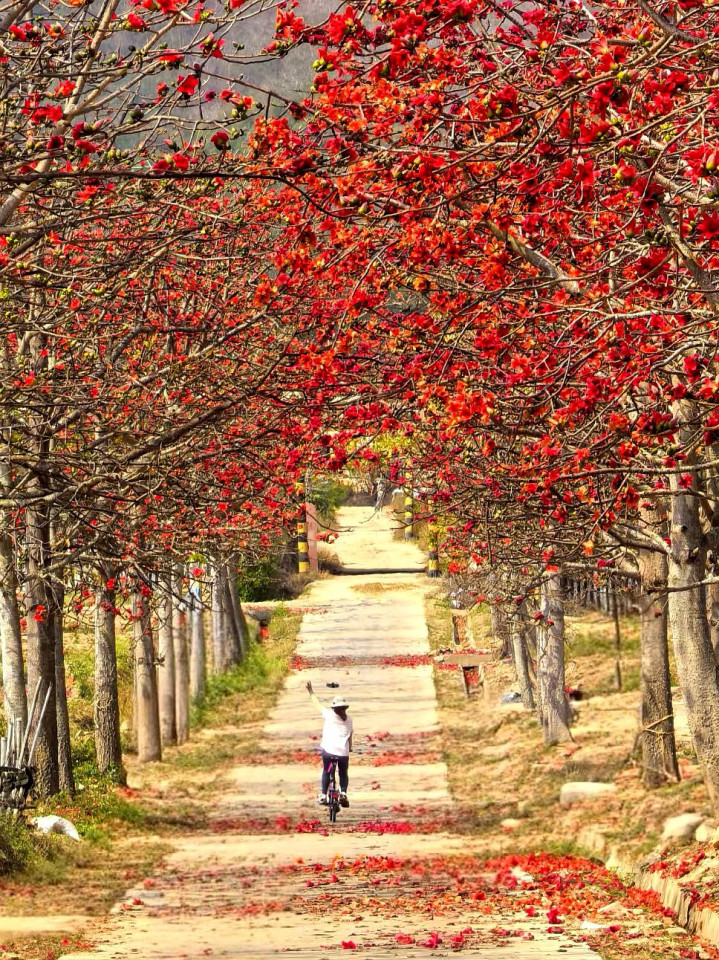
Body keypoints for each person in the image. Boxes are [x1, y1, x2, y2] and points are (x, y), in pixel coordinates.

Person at [306, 681, 353, 807]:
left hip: (329, 753)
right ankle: (343, 793)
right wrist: (350, 747)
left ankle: (323, 795)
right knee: (343, 773)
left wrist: (311, 692)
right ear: (345, 708)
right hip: (343, 755)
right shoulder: (349, 720)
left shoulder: (329, 715)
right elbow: (350, 735)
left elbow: (317, 703)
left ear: (334, 708)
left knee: (327, 770)